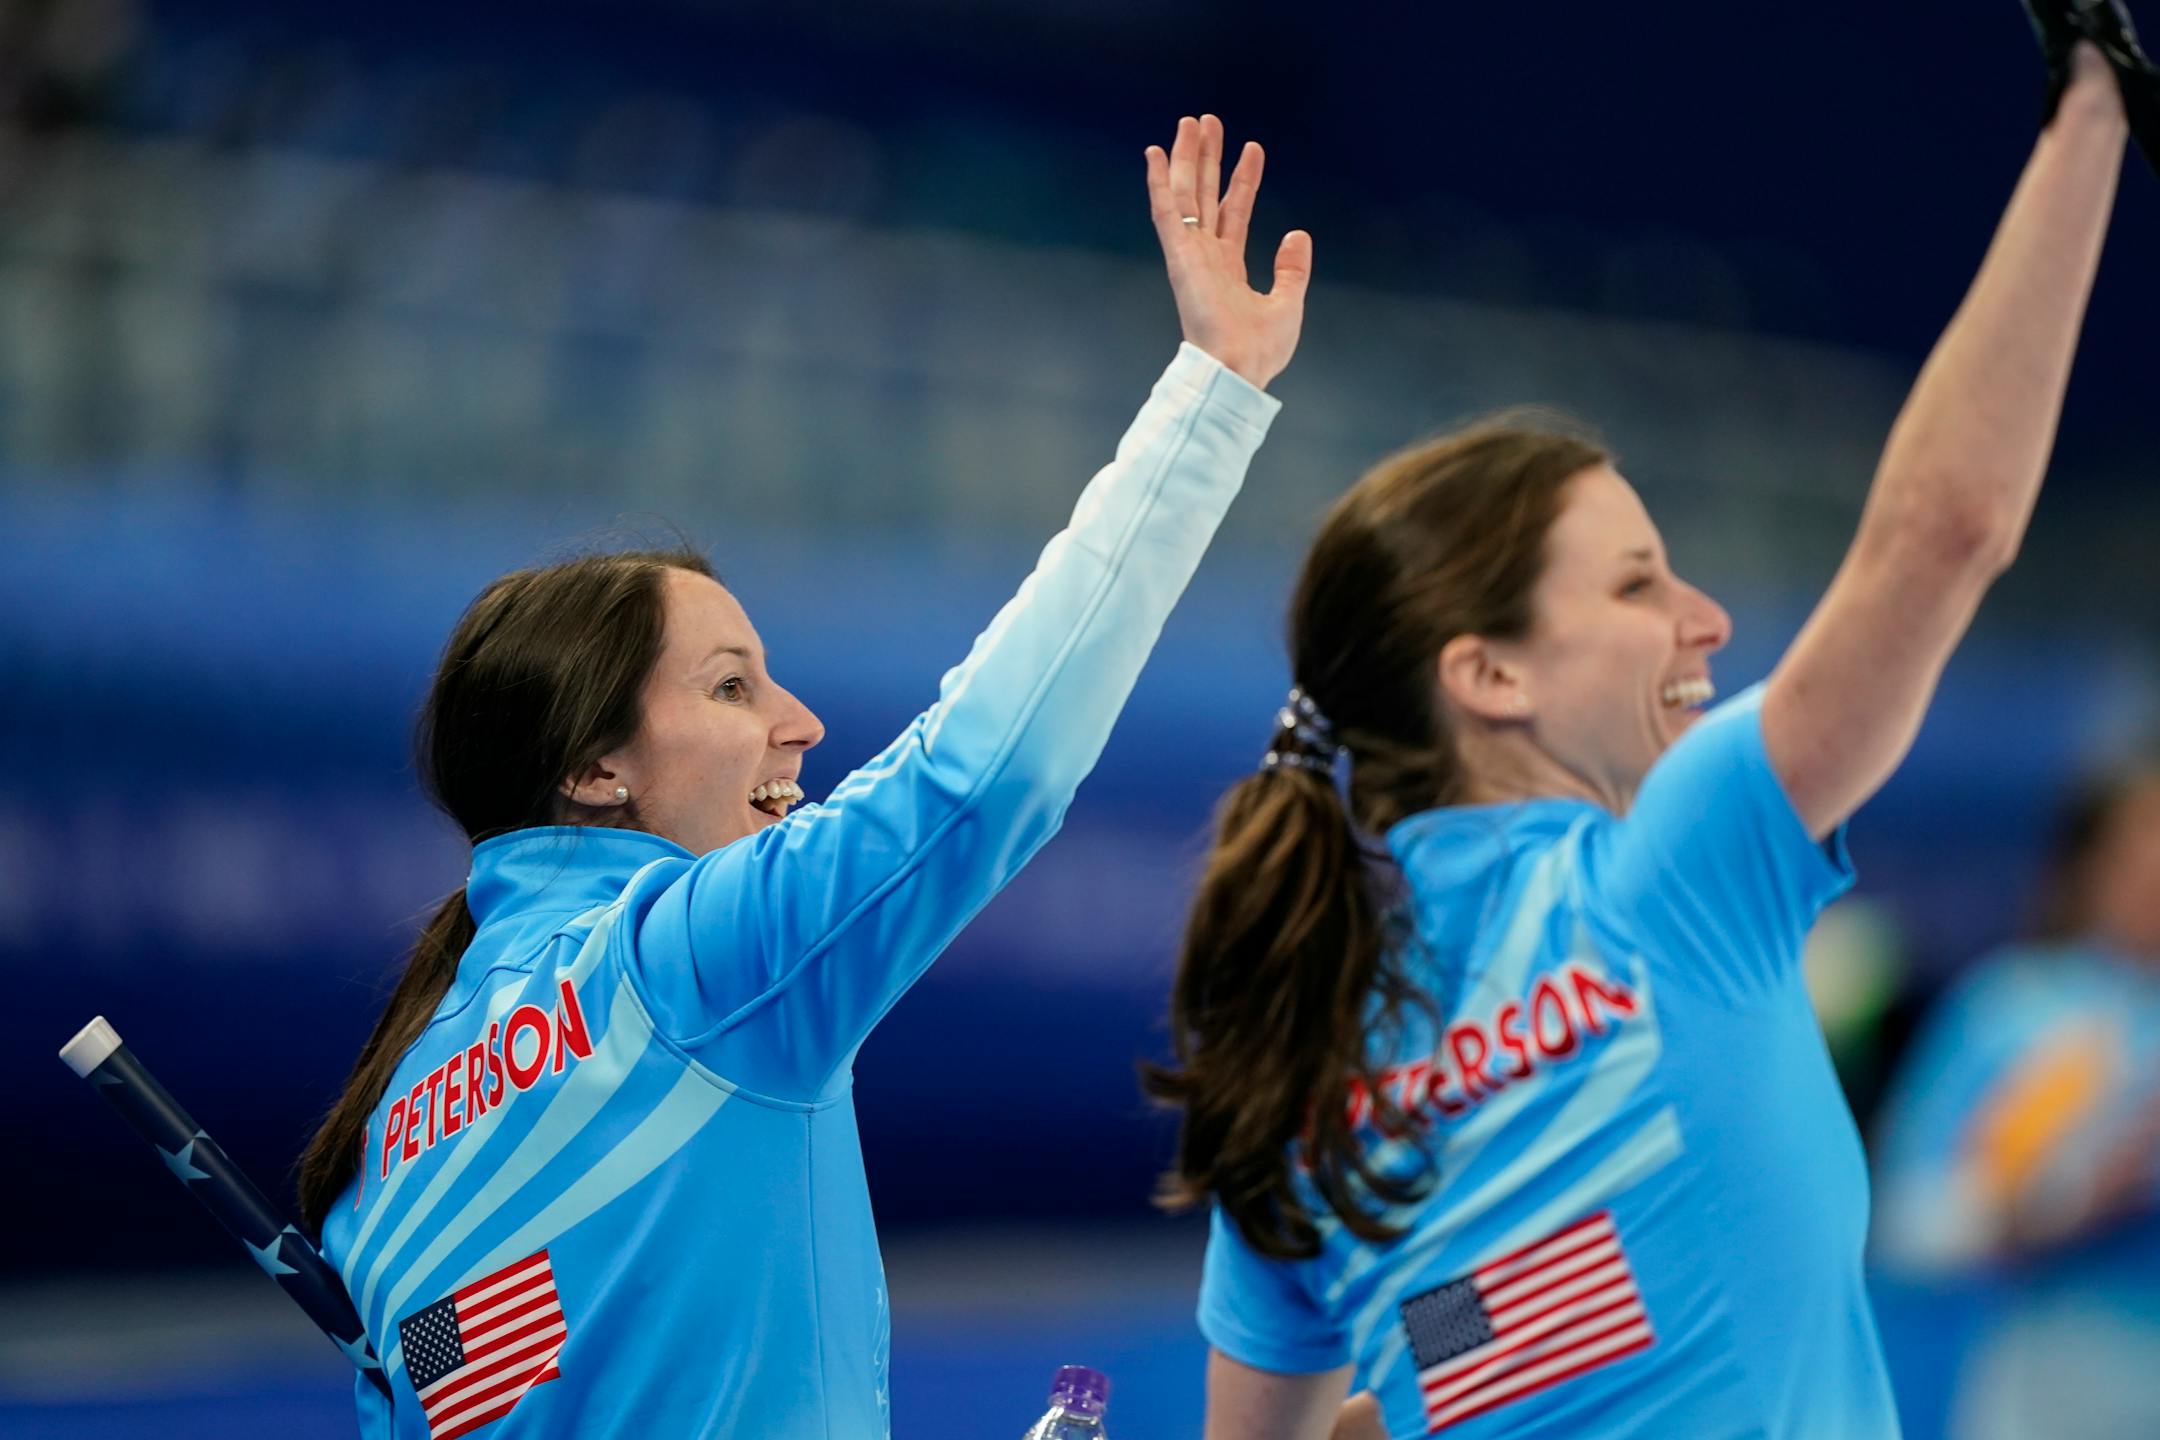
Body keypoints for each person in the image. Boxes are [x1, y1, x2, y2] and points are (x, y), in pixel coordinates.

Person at [1143, 27, 2141, 1440]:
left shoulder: (1299, 1057)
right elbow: (1943, 533)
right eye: (1636, 583)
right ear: (1488, 675)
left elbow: (1530, 1307)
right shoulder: (1674, 868)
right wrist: (2094, 104)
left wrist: (1428, 1372)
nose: (1708, 619)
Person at [295, 113, 1310, 1438]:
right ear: (598, 767)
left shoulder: (385, 1151)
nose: (801, 723)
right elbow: (984, 773)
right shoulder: (682, 967)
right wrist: (1214, 389)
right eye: (732, 686)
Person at [1874, 763, 2160, 1440]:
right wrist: (2058, 1201)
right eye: (2141, 850)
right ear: (2091, 864)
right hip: (2054, 1383)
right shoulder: (2014, 1009)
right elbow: (1908, 1223)